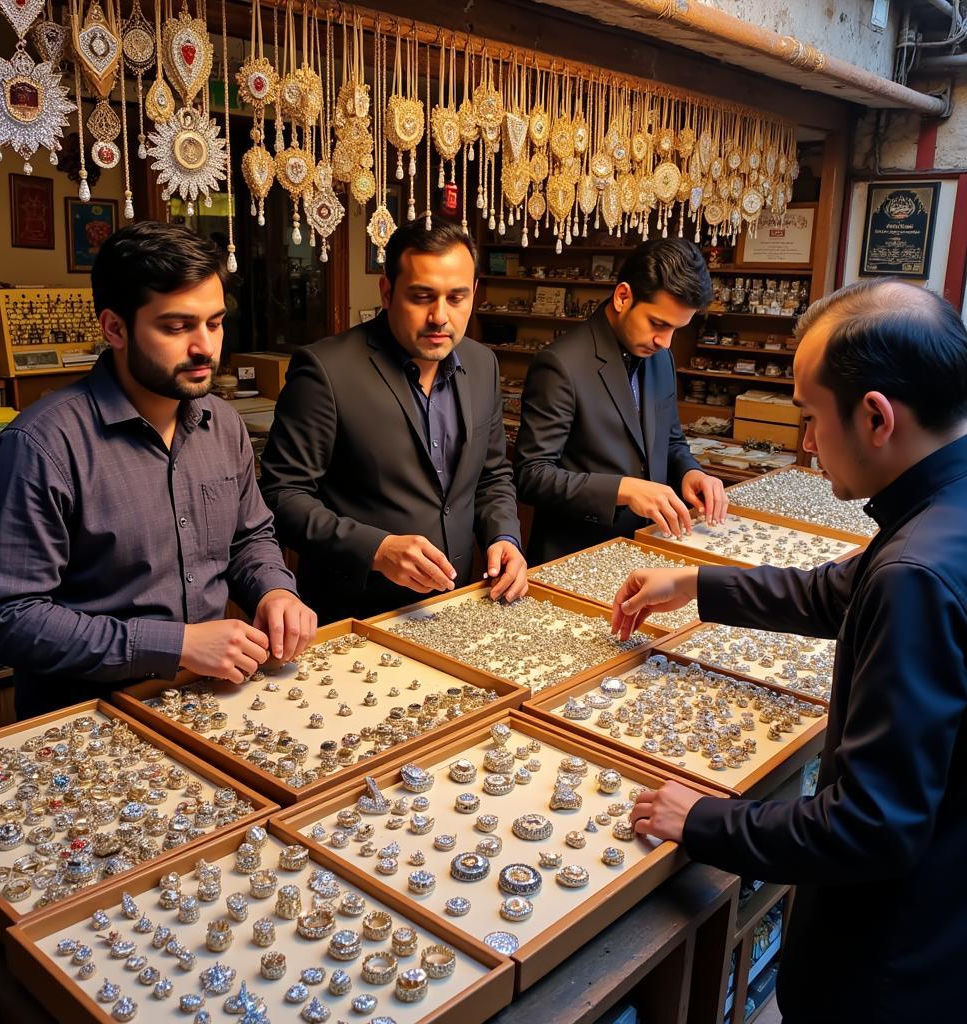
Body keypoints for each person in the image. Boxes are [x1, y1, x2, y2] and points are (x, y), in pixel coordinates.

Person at [612, 278, 967, 1022]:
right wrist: (699, 585)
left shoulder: (917, 573)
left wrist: (705, 819)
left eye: (810, 416)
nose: (807, 441)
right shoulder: (942, 508)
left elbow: (871, 826)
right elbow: (838, 591)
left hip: (889, 967)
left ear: (876, 417)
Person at [0, 221, 316, 719]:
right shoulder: (39, 448)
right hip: (86, 723)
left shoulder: (222, 424)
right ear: (115, 328)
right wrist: (173, 645)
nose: (204, 348)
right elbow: (4, 619)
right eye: (177, 327)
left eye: (214, 323)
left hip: (208, 701)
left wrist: (275, 589)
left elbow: (249, 537)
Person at [260, 216, 526, 622]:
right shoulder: (325, 370)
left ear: (473, 293)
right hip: (353, 615)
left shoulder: (483, 363)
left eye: (456, 299)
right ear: (387, 292)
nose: (440, 317)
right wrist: (377, 550)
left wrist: (504, 535)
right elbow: (282, 496)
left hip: (457, 604)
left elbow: (492, 476)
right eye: (422, 297)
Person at [514, 238, 727, 564]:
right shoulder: (560, 364)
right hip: (575, 557)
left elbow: (670, 443)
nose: (665, 342)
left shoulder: (661, 358)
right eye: (658, 324)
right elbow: (532, 476)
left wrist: (690, 472)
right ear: (623, 296)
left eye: (677, 330)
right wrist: (622, 490)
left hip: (648, 547)